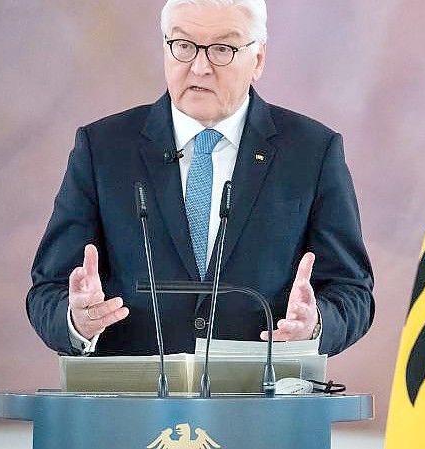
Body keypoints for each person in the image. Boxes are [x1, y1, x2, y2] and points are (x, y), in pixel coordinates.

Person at [26, 0, 373, 357]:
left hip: (263, 399)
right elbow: (48, 290)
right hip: (131, 401)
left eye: (222, 49)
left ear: (258, 60)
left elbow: (352, 291)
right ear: (165, 49)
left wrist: (315, 325)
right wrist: (77, 319)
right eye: (184, 46)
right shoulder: (103, 148)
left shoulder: (312, 151)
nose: (200, 67)